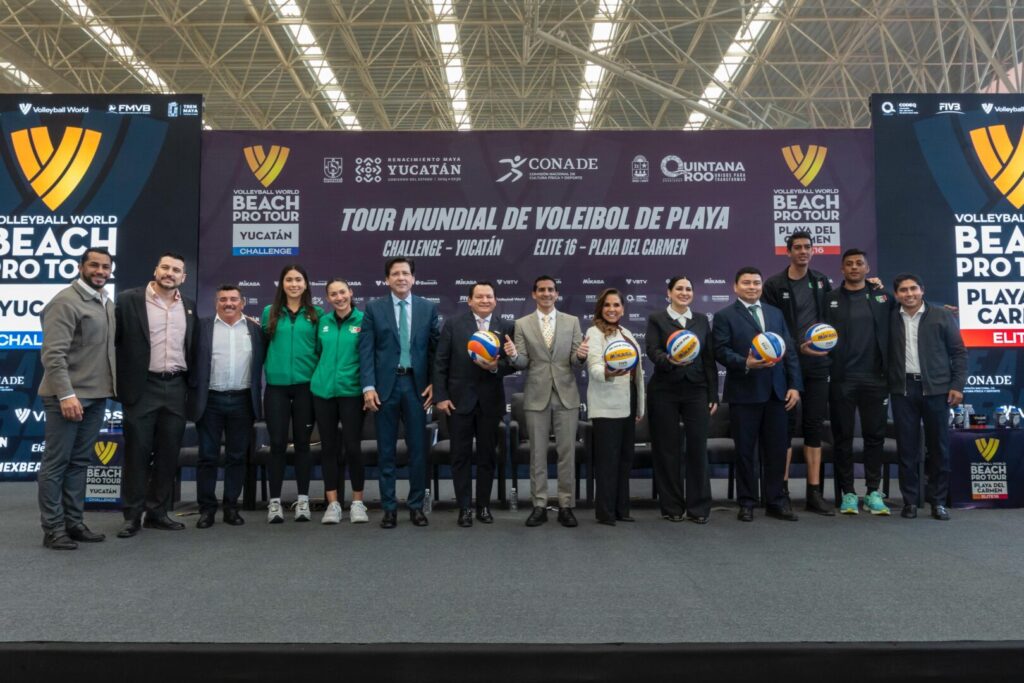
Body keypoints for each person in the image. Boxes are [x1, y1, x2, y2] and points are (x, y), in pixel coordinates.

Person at [36, 247, 116, 550]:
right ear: (81, 267)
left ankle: (74, 522)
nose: (100, 271)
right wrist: (66, 394)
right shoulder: (65, 302)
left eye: (105, 267)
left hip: (96, 397)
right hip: (67, 398)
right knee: (56, 464)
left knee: (79, 463)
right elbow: (53, 355)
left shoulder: (105, 301)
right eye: (94, 265)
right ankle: (53, 528)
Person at [115, 252, 197, 538]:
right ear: (156, 269)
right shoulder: (128, 300)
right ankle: (132, 515)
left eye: (176, 270)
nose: (170, 273)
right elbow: (114, 344)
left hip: (175, 387)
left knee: (167, 454)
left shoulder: (188, 306)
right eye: (165, 267)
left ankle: (158, 512)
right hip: (142, 387)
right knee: (137, 452)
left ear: (183, 277)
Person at [713, 266, 802, 522]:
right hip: (745, 393)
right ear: (735, 287)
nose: (752, 287)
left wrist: (794, 385)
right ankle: (747, 502)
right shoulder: (724, 316)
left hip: (778, 394)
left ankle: (776, 501)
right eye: (747, 283)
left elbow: (790, 351)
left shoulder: (775, 313)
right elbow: (720, 350)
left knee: (776, 450)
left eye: (756, 283)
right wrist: (745, 363)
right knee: (745, 452)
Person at [359, 257, 440, 529]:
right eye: (395, 274)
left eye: (406, 273)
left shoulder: (427, 308)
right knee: (386, 452)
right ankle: (390, 508)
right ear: (387, 279)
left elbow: (435, 351)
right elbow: (366, 350)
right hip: (385, 389)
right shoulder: (374, 308)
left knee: (418, 450)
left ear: (413, 279)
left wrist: (434, 383)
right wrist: (368, 387)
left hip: (417, 388)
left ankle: (416, 507)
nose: (401, 278)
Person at [433, 281, 516, 527]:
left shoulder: (506, 327)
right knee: (460, 456)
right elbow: (440, 363)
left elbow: (514, 363)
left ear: (495, 300)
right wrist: (441, 396)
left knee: (487, 456)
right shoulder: (454, 325)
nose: (484, 300)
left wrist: (496, 367)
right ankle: (464, 508)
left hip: (490, 403)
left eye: (489, 296)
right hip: (459, 402)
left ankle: (483, 506)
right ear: (469, 300)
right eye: (479, 297)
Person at [763, 231, 834, 515]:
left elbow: (834, 313)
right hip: (785, 366)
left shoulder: (821, 281)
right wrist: (795, 350)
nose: (803, 251)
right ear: (788, 252)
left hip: (817, 365)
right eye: (798, 248)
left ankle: (814, 493)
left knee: (814, 427)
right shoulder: (773, 285)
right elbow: (769, 327)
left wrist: (874, 286)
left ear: (812, 251)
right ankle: (781, 493)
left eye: (807, 247)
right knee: (785, 430)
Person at [509, 275, 588, 528]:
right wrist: (512, 355)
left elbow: (576, 361)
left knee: (567, 454)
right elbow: (522, 362)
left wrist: (581, 355)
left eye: (551, 290)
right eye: (541, 290)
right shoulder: (521, 324)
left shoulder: (572, 322)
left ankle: (566, 505)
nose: (546, 294)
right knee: (537, 455)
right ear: (534, 294)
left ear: (557, 294)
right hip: (536, 395)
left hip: (567, 394)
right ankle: (539, 505)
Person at [888, 274, 967, 521]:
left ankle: (938, 502)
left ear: (922, 290)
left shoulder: (942, 315)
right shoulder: (890, 317)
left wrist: (957, 385)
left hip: (936, 390)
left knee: (939, 448)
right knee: (907, 449)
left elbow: (959, 353)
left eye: (913, 288)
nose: (909, 294)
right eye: (903, 290)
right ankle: (910, 502)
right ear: (897, 294)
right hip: (903, 390)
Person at [824, 249, 894, 516]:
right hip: (842, 379)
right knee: (842, 438)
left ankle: (874, 492)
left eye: (859, 263)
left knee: (874, 437)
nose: (854, 267)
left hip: (876, 379)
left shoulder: (882, 297)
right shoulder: (830, 299)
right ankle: (848, 494)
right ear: (842, 270)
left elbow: (910, 309)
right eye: (849, 264)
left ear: (867, 268)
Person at [190, 284, 264, 529]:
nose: (228, 303)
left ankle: (231, 507)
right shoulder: (202, 327)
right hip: (210, 400)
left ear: (242, 303)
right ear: (216, 303)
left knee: (236, 457)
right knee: (207, 457)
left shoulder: (255, 329)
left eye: (233, 299)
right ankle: (207, 509)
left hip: (243, 401)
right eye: (223, 299)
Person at [645, 276, 717, 524]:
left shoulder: (700, 320)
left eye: (688, 289)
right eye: (679, 289)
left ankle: (699, 508)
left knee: (697, 448)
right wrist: (670, 361)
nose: (684, 293)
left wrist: (712, 393)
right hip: (664, 389)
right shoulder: (657, 319)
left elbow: (709, 359)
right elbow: (652, 350)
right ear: (669, 292)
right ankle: (672, 507)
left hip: (697, 390)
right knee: (667, 450)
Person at [261, 264, 323, 524]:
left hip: (305, 389)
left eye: (299, 279)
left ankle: (303, 501)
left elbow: (321, 351)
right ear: (282, 284)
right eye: (289, 279)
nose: (294, 284)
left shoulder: (316, 313)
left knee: (302, 446)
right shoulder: (269, 312)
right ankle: (274, 503)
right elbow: (262, 348)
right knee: (276, 445)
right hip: (276, 388)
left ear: (306, 284)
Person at [585, 288, 645, 526]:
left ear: (623, 308)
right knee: (608, 460)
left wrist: (639, 406)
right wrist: (606, 373)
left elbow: (636, 372)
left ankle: (622, 508)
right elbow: (593, 365)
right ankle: (605, 511)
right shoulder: (594, 332)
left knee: (624, 458)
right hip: (606, 404)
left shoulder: (626, 332)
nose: (612, 309)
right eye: (607, 305)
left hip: (628, 401)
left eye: (616, 305)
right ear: (600, 308)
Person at [310, 279, 369, 525]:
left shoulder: (364, 321)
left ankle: (357, 503)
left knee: (353, 448)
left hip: (352, 392)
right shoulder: (322, 322)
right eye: (333, 294)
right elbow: (315, 353)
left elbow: (368, 357)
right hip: (323, 392)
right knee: (329, 448)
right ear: (328, 298)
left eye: (342, 292)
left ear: (351, 293)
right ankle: (333, 504)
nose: (339, 297)